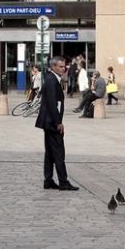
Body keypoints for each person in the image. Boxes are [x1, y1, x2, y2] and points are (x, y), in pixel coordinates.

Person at [35, 57, 77, 190]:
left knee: (50, 152)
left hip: (48, 121)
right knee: (58, 152)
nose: (63, 69)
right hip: (51, 122)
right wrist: (58, 122)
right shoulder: (52, 80)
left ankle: (48, 180)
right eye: (60, 66)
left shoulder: (51, 79)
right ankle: (63, 182)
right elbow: (53, 104)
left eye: (64, 66)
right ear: (53, 67)